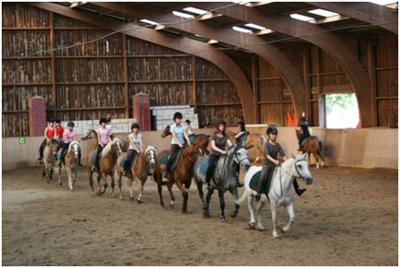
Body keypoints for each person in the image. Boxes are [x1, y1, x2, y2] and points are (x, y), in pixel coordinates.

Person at [256, 125, 305, 201]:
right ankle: (258, 193)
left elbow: (283, 155)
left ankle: (298, 189)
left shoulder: (278, 145)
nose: (275, 136)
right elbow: (267, 155)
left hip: (276, 164)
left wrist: (289, 162)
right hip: (267, 164)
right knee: (263, 176)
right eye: (273, 134)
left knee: (291, 172)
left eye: (276, 134)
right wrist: (275, 161)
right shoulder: (266, 145)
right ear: (269, 135)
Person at [162, 112, 191, 182]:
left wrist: (188, 141)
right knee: (171, 157)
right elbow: (174, 136)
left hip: (183, 144)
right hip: (175, 145)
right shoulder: (172, 127)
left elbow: (185, 134)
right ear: (175, 119)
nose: (180, 120)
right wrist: (178, 143)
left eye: (180, 119)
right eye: (178, 119)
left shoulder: (182, 126)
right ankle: (166, 172)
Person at [205, 120, 233, 189]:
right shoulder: (213, 136)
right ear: (218, 127)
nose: (222, 127)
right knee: (210, 167)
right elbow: (213, 146)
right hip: (214, 154)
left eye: (223, 126)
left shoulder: (225, 136)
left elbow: (230, 144)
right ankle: (207, 182)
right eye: (220, 126)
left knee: (233, 164)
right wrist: (221, 151)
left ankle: (236, 181)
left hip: (223, 154)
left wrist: (234, 147)